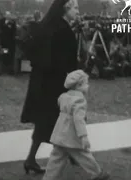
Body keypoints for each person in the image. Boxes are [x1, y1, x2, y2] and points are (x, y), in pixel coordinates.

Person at [21, 0, 79, 174]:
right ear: (66, 8)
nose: (78, 12)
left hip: (40, 81)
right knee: (61, 119)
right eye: (75, 8)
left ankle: (31, 159)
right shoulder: (64, 30)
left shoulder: (44, 26)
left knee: (44, 122)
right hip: (56, 83)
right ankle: (73, 154)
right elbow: (69, 61)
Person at [42, 70, 110, 180]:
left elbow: (60, 106)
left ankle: (48, 178)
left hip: (59, 134)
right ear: (79, 85)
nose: (88, 86)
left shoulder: (63, 97)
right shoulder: (79, 100)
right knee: (83, 155)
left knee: (55, 159)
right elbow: (79, 120)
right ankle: (97, 173)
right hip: (71, 136)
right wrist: (83, 136)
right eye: (86, 83)